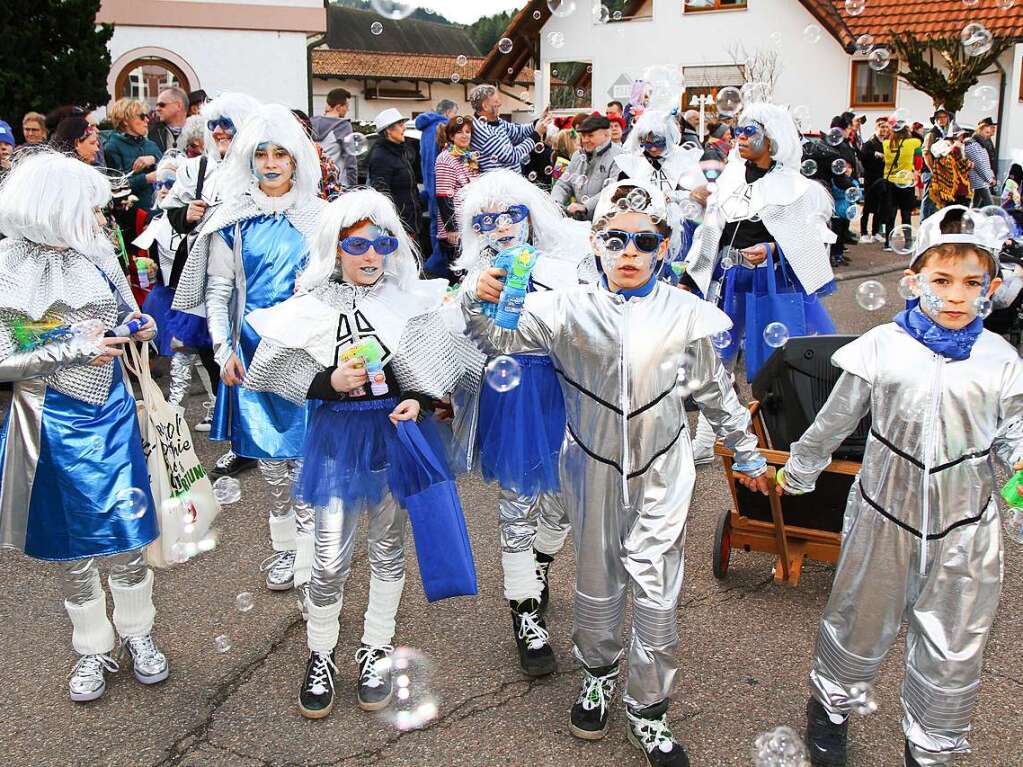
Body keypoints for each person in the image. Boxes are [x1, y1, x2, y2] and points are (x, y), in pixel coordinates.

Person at [463, 177, 770, 767]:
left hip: (663, 468)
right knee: (599, 578)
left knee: (656, 587)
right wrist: (478, 297)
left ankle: (648, 710)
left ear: (663, 248)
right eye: (615, 239)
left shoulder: (686, 314)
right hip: (590, 464)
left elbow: (713, 388)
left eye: (644, 241)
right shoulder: (563, 307)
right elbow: (497, 337)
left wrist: (746, 448)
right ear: (596, 244)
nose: (629, 252)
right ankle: (597, 676)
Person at [780, 205, 1023, 767]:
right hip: (883, 514)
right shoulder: (883, 346)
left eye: (971, 283)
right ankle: (831, 710)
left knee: (955, 642)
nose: (956, 295)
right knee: (858, 618)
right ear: (914, 282)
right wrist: (802, 468)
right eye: (942, 280)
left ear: (991, 289)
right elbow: (836, 419)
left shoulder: (1000, 360)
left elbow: (1013, 436)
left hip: (967, 526)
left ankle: (931, 743)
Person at [242, 187, 478, 720]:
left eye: (382, 242)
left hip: (393, 436)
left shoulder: (409, 303)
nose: (371, 254)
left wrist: (417, 401)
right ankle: (320, 653)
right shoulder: (313, 305)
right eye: (357, 245)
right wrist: (327, 380)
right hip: (337, 438)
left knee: (388, 547)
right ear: (336, 250)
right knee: (328, 558)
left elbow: (435, 370)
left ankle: (375, 648)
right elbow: (275, 370)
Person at [0, 150, 167, 703]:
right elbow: (4, 356)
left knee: (124, 538)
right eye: (92, 209)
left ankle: (139, 634)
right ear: (55, 210)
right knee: (72, 547)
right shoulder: (7, 267)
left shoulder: (96, 256)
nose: (102, 220)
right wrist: (74, 351)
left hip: (112, 415)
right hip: (46, 420)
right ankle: (92, 646)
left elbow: (122, 314)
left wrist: (137, 326)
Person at [172, 103, 328, 593]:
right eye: (261, 154)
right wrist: (223, 353)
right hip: (253, 354)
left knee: (306, 457)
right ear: (248, 160)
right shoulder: (234, 220)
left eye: (281, 152)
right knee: (272, 464)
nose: (271, 162)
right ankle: (285, 550)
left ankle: (310, 550)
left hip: (304, 354)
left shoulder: (321, 219)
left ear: (298, 159)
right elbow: (219, 293)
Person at [453, 168, 596, 678]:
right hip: (511, 397)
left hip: (567, 392)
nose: (501, 226)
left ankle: (538, 566)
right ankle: (524, 610)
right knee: (517, 502)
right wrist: (473, 294)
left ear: (530, 217)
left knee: (560, 503)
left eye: (511, 214)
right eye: (486, 219)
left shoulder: (567, 268)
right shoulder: (475, 279)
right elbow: (462, 336)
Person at [685, 102, 836, 463]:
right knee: (715, 363)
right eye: (738, 130)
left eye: (749, 132)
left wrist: (771, 248)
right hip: (731, 280)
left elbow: (813, 241)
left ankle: (791, 443)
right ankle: (706, 441)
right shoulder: (731, 179)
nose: (740, 138)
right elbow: (711, 234)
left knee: (780, 366)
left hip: (774, 287)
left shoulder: (797, 188)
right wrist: (692, 277)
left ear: (772, 139)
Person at [161, 92, 261, 480]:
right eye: (214, 124)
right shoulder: (197, 169)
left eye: (227, 124)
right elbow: (172, 210)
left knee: (254, 356)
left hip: (251, 281)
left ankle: (258, 440)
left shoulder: (261, 167)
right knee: (214, 356)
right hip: (208, 277)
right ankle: (240, 442)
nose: (219, 131)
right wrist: (187, 214)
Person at [136, 153, 215, 427]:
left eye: (170, 183)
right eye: (158, 184)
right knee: (183, 355)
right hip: (166, 296)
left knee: (201, 356)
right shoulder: (156, 223)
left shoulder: (195, 219)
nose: (163, 189)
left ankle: (199, 410)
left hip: (193, 298)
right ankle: (174, 414)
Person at [614, 109, 704, 270]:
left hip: (682, 228)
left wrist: (672, 197)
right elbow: (622, 194)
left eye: (659, 143)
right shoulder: (633, 162)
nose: (653, 149)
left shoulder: (684, 159)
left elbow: (699, 194)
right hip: (643, 227)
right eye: (648, 144)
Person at [432, 115, 479, 281]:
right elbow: (444, 196)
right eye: (460, 132)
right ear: (451, 136)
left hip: (469, 225)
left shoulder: (468, 158)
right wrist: (451, 229)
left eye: (468, 131)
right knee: (457, 277)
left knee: (469, 276)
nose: (465, 135)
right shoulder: (446, 158)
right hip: (455, 229)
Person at [469, 84, 552, 175]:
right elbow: (512, 156)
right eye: (496, 101)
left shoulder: (495, 121)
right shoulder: (482, 131)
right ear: (485, 106)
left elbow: (518, 131)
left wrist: (539, 121)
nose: (500, 103)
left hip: (512, 180)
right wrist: (536, 134)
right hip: (500, 184)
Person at [416, 99, 459, 272]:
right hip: (442, 186)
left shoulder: (426, 129)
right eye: (455, 114)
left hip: (430, 186)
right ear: (448, 112)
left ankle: (434, 268)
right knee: (444, 233)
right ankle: (436, 269)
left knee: (436, 229)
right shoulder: (442, 128)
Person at [551, 115, 621, 221]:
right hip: (579, 222)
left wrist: (586, 207)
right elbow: (564, 184)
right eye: (583, 135)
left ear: (606, 134)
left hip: (605, 222)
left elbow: (612, 190)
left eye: (590, 135)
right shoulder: (577, 155)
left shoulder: (619, 157)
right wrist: (555, 203)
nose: (585, 140)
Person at [103, 98, 163, 212]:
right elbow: (116, 188)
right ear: (126, 120)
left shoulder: (151, 145)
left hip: (158, 211)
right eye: (141, 116)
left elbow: (168, 168)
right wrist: (146, 179)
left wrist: (154, 159)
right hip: (131, 216)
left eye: (147, 115)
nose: (147, 120)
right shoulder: (112, 147)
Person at [367, 108, 420, 237]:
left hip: (410, 224)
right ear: (388, 130)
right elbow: (382, 195)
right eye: (400, 125)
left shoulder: (400, 151)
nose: (404, 128)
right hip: (397, 228)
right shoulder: (381, 156)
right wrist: (394, 227)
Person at [881, 121, 922, 251]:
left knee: (891, 212)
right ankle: (908, 242)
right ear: (906, 131)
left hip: (890, 181)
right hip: (906, 181)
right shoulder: (912, 143)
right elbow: (921, 139)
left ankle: (888, 243)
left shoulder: (886, 143)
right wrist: (912, 130)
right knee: (906, 213)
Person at [310, 88, 358, 189]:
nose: (347, 109)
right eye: (346, 106)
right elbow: (350, 159)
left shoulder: (311, 123)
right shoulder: (343, 126)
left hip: (314, 183)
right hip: (337, 186)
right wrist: (353, 186)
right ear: (339, 107)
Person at [859, 117, 890, 243]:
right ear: (876, 128)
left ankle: (875, 232)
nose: (884, 130)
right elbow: (863, 156)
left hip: (882, 178)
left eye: (886, 127)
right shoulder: (869, 143)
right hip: (870, 179)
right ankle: (863, 232)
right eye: (881, 127)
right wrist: (875, 155)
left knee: (879, 207)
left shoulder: (887, 143)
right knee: (867, 207)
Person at [921, 107, 954, 221]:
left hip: (941, 172)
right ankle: (924, 225)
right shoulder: (931, 134)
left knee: (938, 202)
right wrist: (932, 171)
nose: (941, 119)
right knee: (929, 200)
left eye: (944, 116)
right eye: (938, 117)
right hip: (931, 172)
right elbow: (926, 153)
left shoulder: (946, 133)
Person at [927, 133, 973, 213]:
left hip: (946, 188)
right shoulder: (954, 149)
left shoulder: (941, 148)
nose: (962, 139)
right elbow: (964, 165)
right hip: (956, 189)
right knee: (957, 215)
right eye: (961, 136)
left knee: (948, 214)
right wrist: (969, 164)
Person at [963, 125, 996, 208]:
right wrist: (989, 178)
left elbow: (986, 163)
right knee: (990, 205)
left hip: (981, 180)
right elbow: (979, 164)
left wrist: (991, 176)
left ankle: (969, 218)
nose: (988, 135)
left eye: (989, 132)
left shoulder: (980, 143)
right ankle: (993, 219)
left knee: (975, 204)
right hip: (979, 180)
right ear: (979, 131)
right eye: (986, 132)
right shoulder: (972, 145)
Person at [149, 87, 189, 154]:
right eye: (157, 105)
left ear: (178, 105)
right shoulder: (152, 133)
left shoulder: (199, 132)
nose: (157, 109)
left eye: (162, 105)